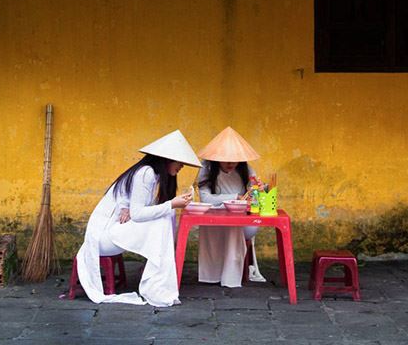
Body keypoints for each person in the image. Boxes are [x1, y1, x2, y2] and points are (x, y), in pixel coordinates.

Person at [75, 130, 201, 307]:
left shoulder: (151, 174)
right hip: (103, 238)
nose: (181, 167)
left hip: (114, 230)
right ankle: (156, 282)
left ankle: (156, 273)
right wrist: (171, 204)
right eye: (179, 162)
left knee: (166, 215)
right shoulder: (146, 173)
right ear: (167, 159)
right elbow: (139, 214)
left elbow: (133, 207)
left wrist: (130, 207)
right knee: (164, 218)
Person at [195, 126, 266, 288]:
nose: (231, 163)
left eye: (235, 159)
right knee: (215, 224)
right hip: (213, 217)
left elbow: (255, 198)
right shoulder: (206, 169)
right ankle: (212, 275)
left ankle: (231, 275)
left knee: (232, 224)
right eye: (226, 159)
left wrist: (259, 190)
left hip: (242, 220)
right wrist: (234, 198)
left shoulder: (247, 170)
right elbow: (205, 199)